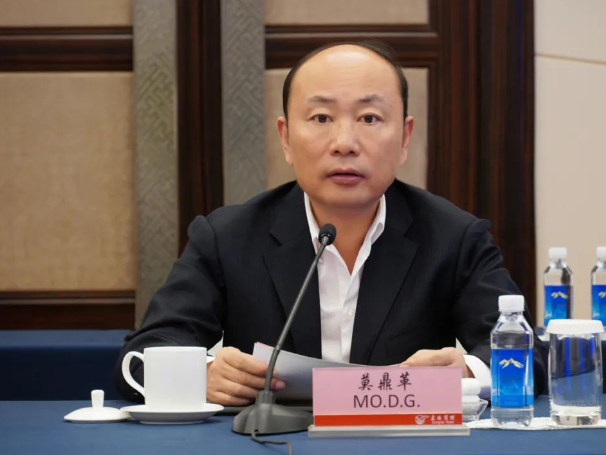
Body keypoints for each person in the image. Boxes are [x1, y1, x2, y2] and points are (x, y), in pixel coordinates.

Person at [115, 41, 547, 406]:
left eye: (369, 118)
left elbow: (534, 358)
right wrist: (202, 374)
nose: (344, 143)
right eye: (321, 118)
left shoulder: (454, 238)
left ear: (404, 138)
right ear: (286, 137)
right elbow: (143, 355)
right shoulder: (227, 237)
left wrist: (469, 371)